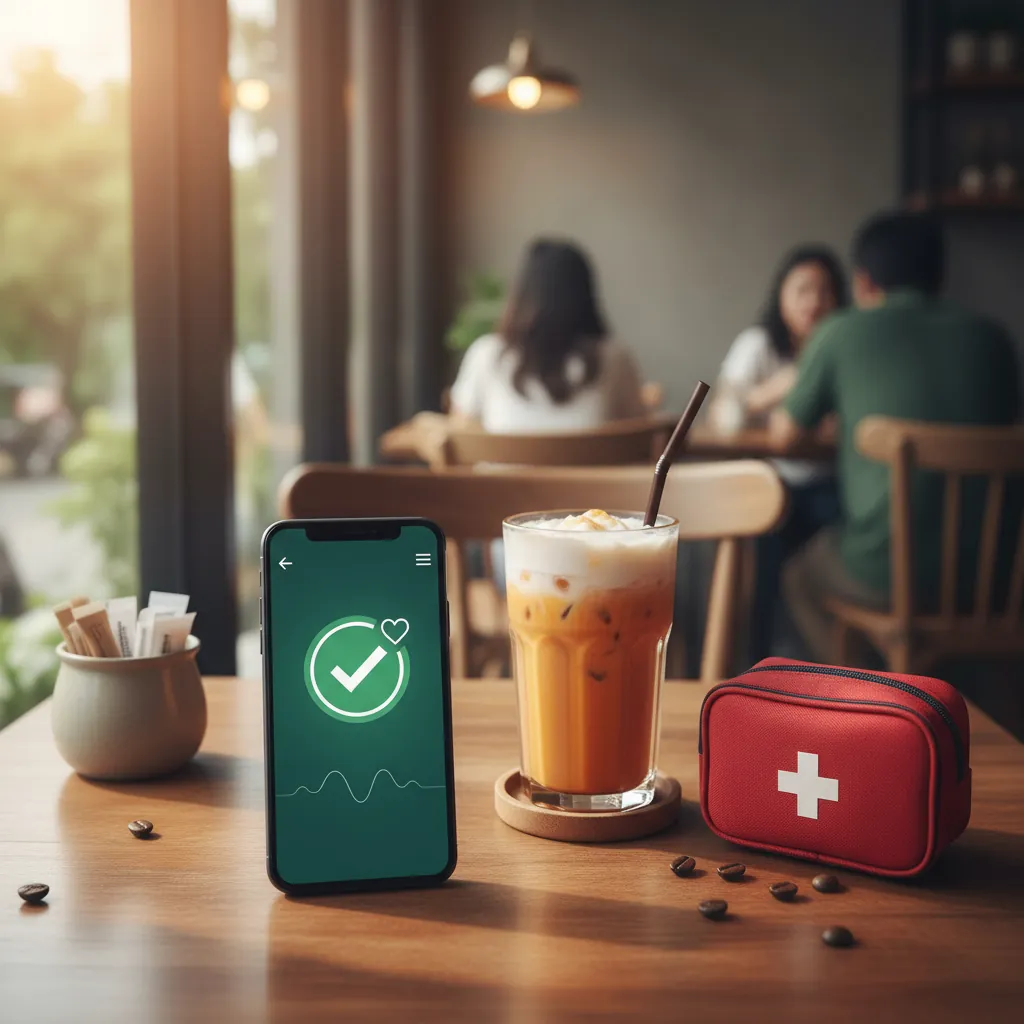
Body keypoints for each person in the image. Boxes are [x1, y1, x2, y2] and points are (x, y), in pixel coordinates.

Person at [771, 212, 1021, 661]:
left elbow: (785, 436)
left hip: (885, 576)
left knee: (799, 575)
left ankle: (872, 696)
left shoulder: (841, 331)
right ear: (941, 277)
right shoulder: (995, 340)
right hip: (996, 579)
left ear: (864, 282)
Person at [709, 245, 848, 661]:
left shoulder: (843, 345)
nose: (814, 301)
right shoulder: (758, 344)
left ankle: (837, 672)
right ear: (781, 295)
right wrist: (780, 387)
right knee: (762, 565)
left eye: (825, 291)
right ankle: (756, 664)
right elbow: (723, 418)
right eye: (803, 289)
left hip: (830, 482)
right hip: (772, 481)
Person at [450, 239, 645, 432]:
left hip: (504, 464)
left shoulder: (487, 354)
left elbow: (460, 432)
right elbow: (641, 433)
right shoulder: (616, 358)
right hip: (593, 464)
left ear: (522, 294)